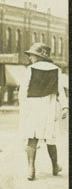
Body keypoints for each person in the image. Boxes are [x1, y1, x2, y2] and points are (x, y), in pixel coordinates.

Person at [18, 42, 68, 181]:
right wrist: (65, 107)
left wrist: (23, 108)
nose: (30, 58)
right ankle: (55, 166)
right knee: (50, 138)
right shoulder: (56, 70)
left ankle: (30, 169)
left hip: (33, 107)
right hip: (50, 107)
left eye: (32, 55)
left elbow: (23, 92)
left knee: (32, 137)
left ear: (39, 56)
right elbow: (60, 91)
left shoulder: (30, 69)